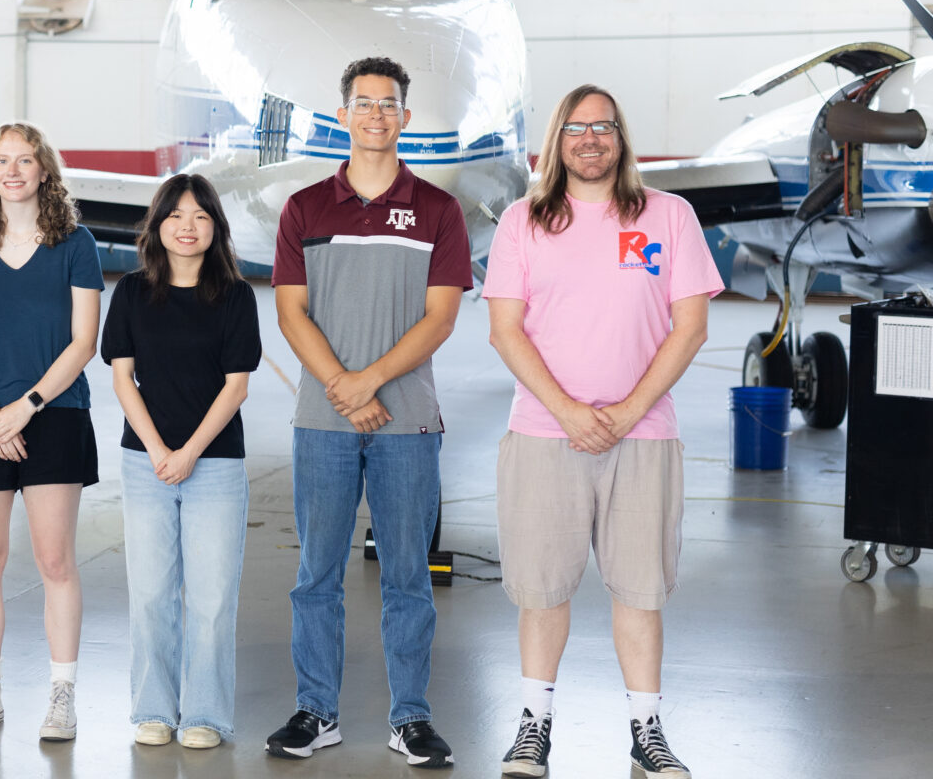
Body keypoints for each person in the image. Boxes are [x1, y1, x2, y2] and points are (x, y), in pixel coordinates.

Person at [484, 86, 718, 779]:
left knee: (641, 592)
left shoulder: (669, 216)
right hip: (542, 433)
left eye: (604, 128)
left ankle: (647, 731)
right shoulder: (522, 222)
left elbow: (691, 326)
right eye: (577, 129)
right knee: (542, 590)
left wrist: (625, 410)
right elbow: (505, 330)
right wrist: (568, 411)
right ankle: (534, 730)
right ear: (557, 141)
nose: (591, 140)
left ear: (621, 138)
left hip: (643, 437)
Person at [266, 56, 470, 769]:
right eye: (363, 103)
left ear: (405, 119)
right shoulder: (304, 208)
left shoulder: (440, 211)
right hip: (323, 422)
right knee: (315, 574)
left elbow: (440, 318)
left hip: (408, 421)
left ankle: (410, 718)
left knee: (408, 577)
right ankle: (315, 712)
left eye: (389, 104)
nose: (376, 115)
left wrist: (371, 382)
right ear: (344, 116)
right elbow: (291, 313)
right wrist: (340, 387)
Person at [0, 121, 104, 743]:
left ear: (44, 172)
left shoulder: (76, 244)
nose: (13, 171)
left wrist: (27, 406)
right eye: (1, 161)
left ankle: (62, 694)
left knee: (55, 559)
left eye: (25, 161)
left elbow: (83, 342)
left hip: (55, 416)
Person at [104, 174, 260, 750]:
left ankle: (206, 715)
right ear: (157, 225)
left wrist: (188, 453)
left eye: (199, 216)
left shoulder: (237, 297)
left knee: (213, 598)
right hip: (145, 462)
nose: (187, 226)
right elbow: (123, 379)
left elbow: (236, 387)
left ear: (215, 226)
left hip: (214, 465)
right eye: (175, 215)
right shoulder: (131, 293)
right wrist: (158, 452)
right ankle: (153, 708)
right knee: (150, 592)